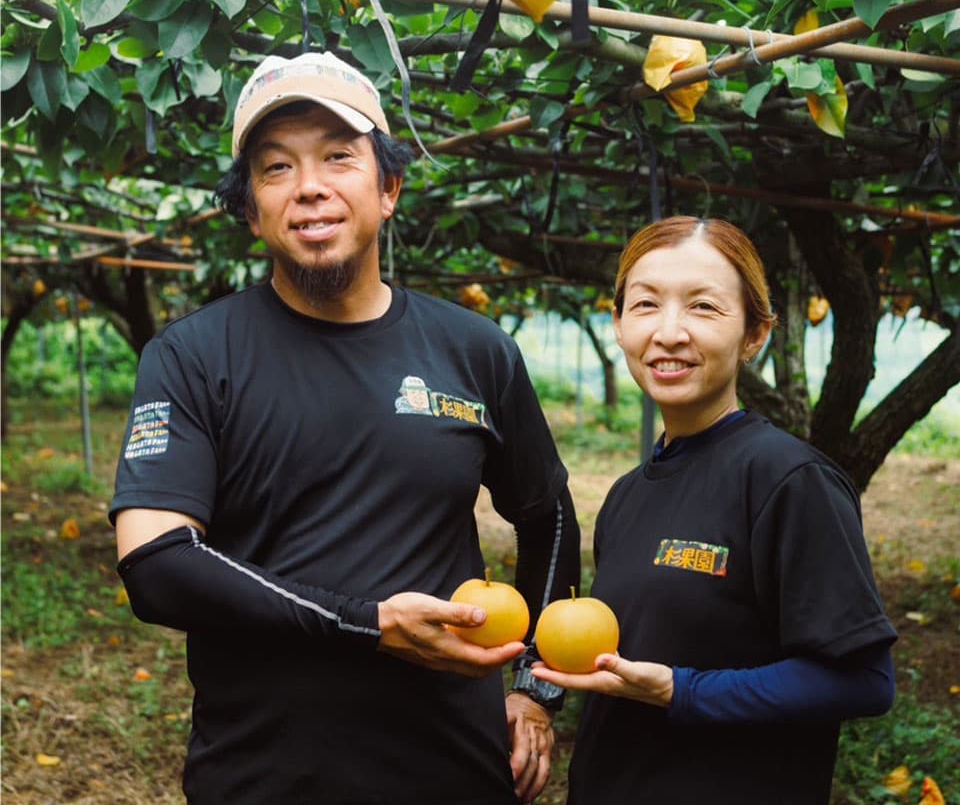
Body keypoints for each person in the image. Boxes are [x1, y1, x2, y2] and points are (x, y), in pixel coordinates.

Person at [109, 51, 580, 805]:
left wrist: (535, 689)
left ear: (388, 187)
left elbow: (547, 514)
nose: (310, 188)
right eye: (276, 168)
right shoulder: (192, 357)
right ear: (251, 208)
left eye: (338, 157)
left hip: (455, 770)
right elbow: (159, 565)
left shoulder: (474, 350)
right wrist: (370, 625)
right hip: (262, 776)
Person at [532, 215, 897, 804]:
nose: (670, 332)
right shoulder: (628, 493)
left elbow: (865, 681)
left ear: (754, 334)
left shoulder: (788, 480)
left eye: (703, 308)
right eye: (646, 304)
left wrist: (683, 691)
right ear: (619, 323)